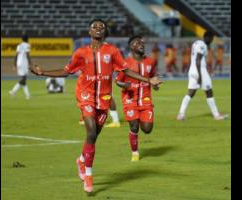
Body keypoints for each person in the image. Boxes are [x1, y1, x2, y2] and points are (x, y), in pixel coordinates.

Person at [30, 19, 162, 194]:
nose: (98, 28)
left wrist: (148, 80)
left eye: (101, 26)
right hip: (85, 95)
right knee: (91, 132)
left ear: (105, 31)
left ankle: (81, 160)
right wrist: (42, 73)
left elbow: (125, 71)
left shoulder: (112, 51)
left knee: (94, 136)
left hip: (104, 98)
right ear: (89, 31)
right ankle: (89, 176)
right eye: (95, 26)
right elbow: (67, 70)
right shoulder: (81, 52)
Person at [115, 35, 159, 162]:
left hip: (145, 100)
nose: (141, 44)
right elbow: (117, 81)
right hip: (130, 100)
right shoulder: (125, 63)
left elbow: (153, 76)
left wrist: (155, 84)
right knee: (134, 126)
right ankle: (135, 152)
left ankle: (139, 121)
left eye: (142, 43)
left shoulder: (151, 62)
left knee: (147, 129)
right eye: (138, 43)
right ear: (132, 46)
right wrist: (125, 85)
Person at [176, 31, 227, 121]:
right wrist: (200, 76)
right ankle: (216, 115)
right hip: (200, 71)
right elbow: (198, 60)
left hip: (192, 70)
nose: (211, 41)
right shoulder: (203, 46)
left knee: (190, 93)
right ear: (207, 37)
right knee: (209, 92)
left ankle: (181, 114)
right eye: (211, 38)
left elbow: (194, 57)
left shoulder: (196, 43)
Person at [9, 35, 31, 99]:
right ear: (27, 39)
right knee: (23, 79)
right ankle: (13, 91)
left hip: (19, 63)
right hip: (24, 64)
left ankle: (28, 95)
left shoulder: (19, 46)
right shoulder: (27, 45)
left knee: (23, 80)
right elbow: (27, 55)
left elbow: (16, 56)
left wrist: (14, 65)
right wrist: (30, 64)